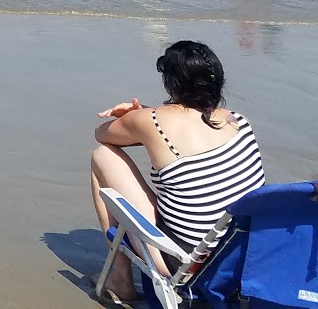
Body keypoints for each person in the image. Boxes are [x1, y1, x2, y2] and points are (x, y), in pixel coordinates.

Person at [88, 40, 265, 301]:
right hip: (240, 257)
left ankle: (121, 279)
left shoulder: (154, 121)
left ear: (171, 84)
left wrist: (133, 120)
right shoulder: (239, 121)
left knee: (102, 156)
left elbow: (103, 135)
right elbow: (191, 131)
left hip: (187, 263)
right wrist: (144, 119)